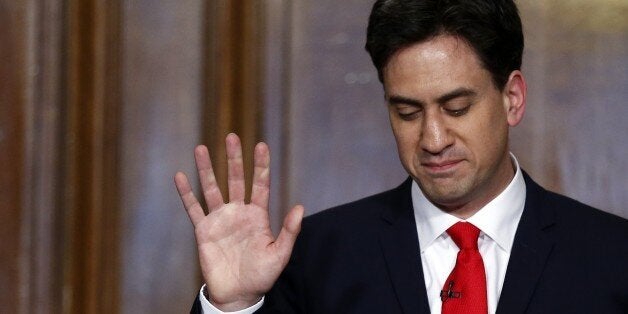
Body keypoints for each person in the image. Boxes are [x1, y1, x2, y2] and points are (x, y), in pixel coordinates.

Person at [175, 0, 628, 313]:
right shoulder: (316, 256)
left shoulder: (612, 256)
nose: (432, 139)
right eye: (407, 112)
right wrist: (233, 307)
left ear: (512, 97)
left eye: (457, 108)